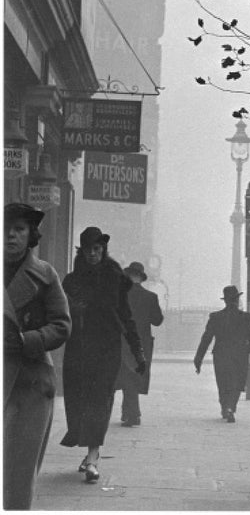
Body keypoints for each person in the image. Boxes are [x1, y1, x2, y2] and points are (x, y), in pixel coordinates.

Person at [60, 227, 146, 483]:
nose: (93, 254)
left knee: (100, 399)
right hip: (78, 348)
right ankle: (88, 451)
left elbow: (126, 317)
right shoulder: (71, 281)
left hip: (106, 348)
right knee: (79, 401)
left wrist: (138, 351)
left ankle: (93, 457)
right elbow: (57, 315)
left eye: (97, 249)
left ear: (103, 250)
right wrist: (72, 310)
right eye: (88, 249)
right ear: (82, 250)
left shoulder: (114, 278)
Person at [4, 203, 71, 510]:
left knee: (19, 469)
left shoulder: (45, 275)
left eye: (18, 230)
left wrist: (26, 339)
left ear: (30, 234)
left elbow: (62, 325)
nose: (10, 236)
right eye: (5, 230)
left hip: (29, 381)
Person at [194, 285, 250, 423]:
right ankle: (231, 407)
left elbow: (206, 338)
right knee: (237, 383)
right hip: (240, 355)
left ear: (225, 301)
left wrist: (198, 358)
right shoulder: (245, 317)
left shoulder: (216, 317)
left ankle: (225, 407)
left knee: (223, 383)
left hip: (221, 355)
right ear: (237, 300)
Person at [115, 261, 164, 427]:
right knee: (134, 375)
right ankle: (130, 412)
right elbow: (158, 321)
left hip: (123, 340)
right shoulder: (151, 297)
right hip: (142, 342)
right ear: (141, 278)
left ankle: (132, 413)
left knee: (126, 375)